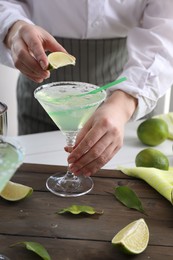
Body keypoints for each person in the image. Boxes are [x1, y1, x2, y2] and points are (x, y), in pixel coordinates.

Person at [0, 1, 173, 177]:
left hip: (128, 89)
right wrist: (12, 27)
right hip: (40, 100)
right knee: (34, 179)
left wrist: (123, 105)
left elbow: (167, 32)